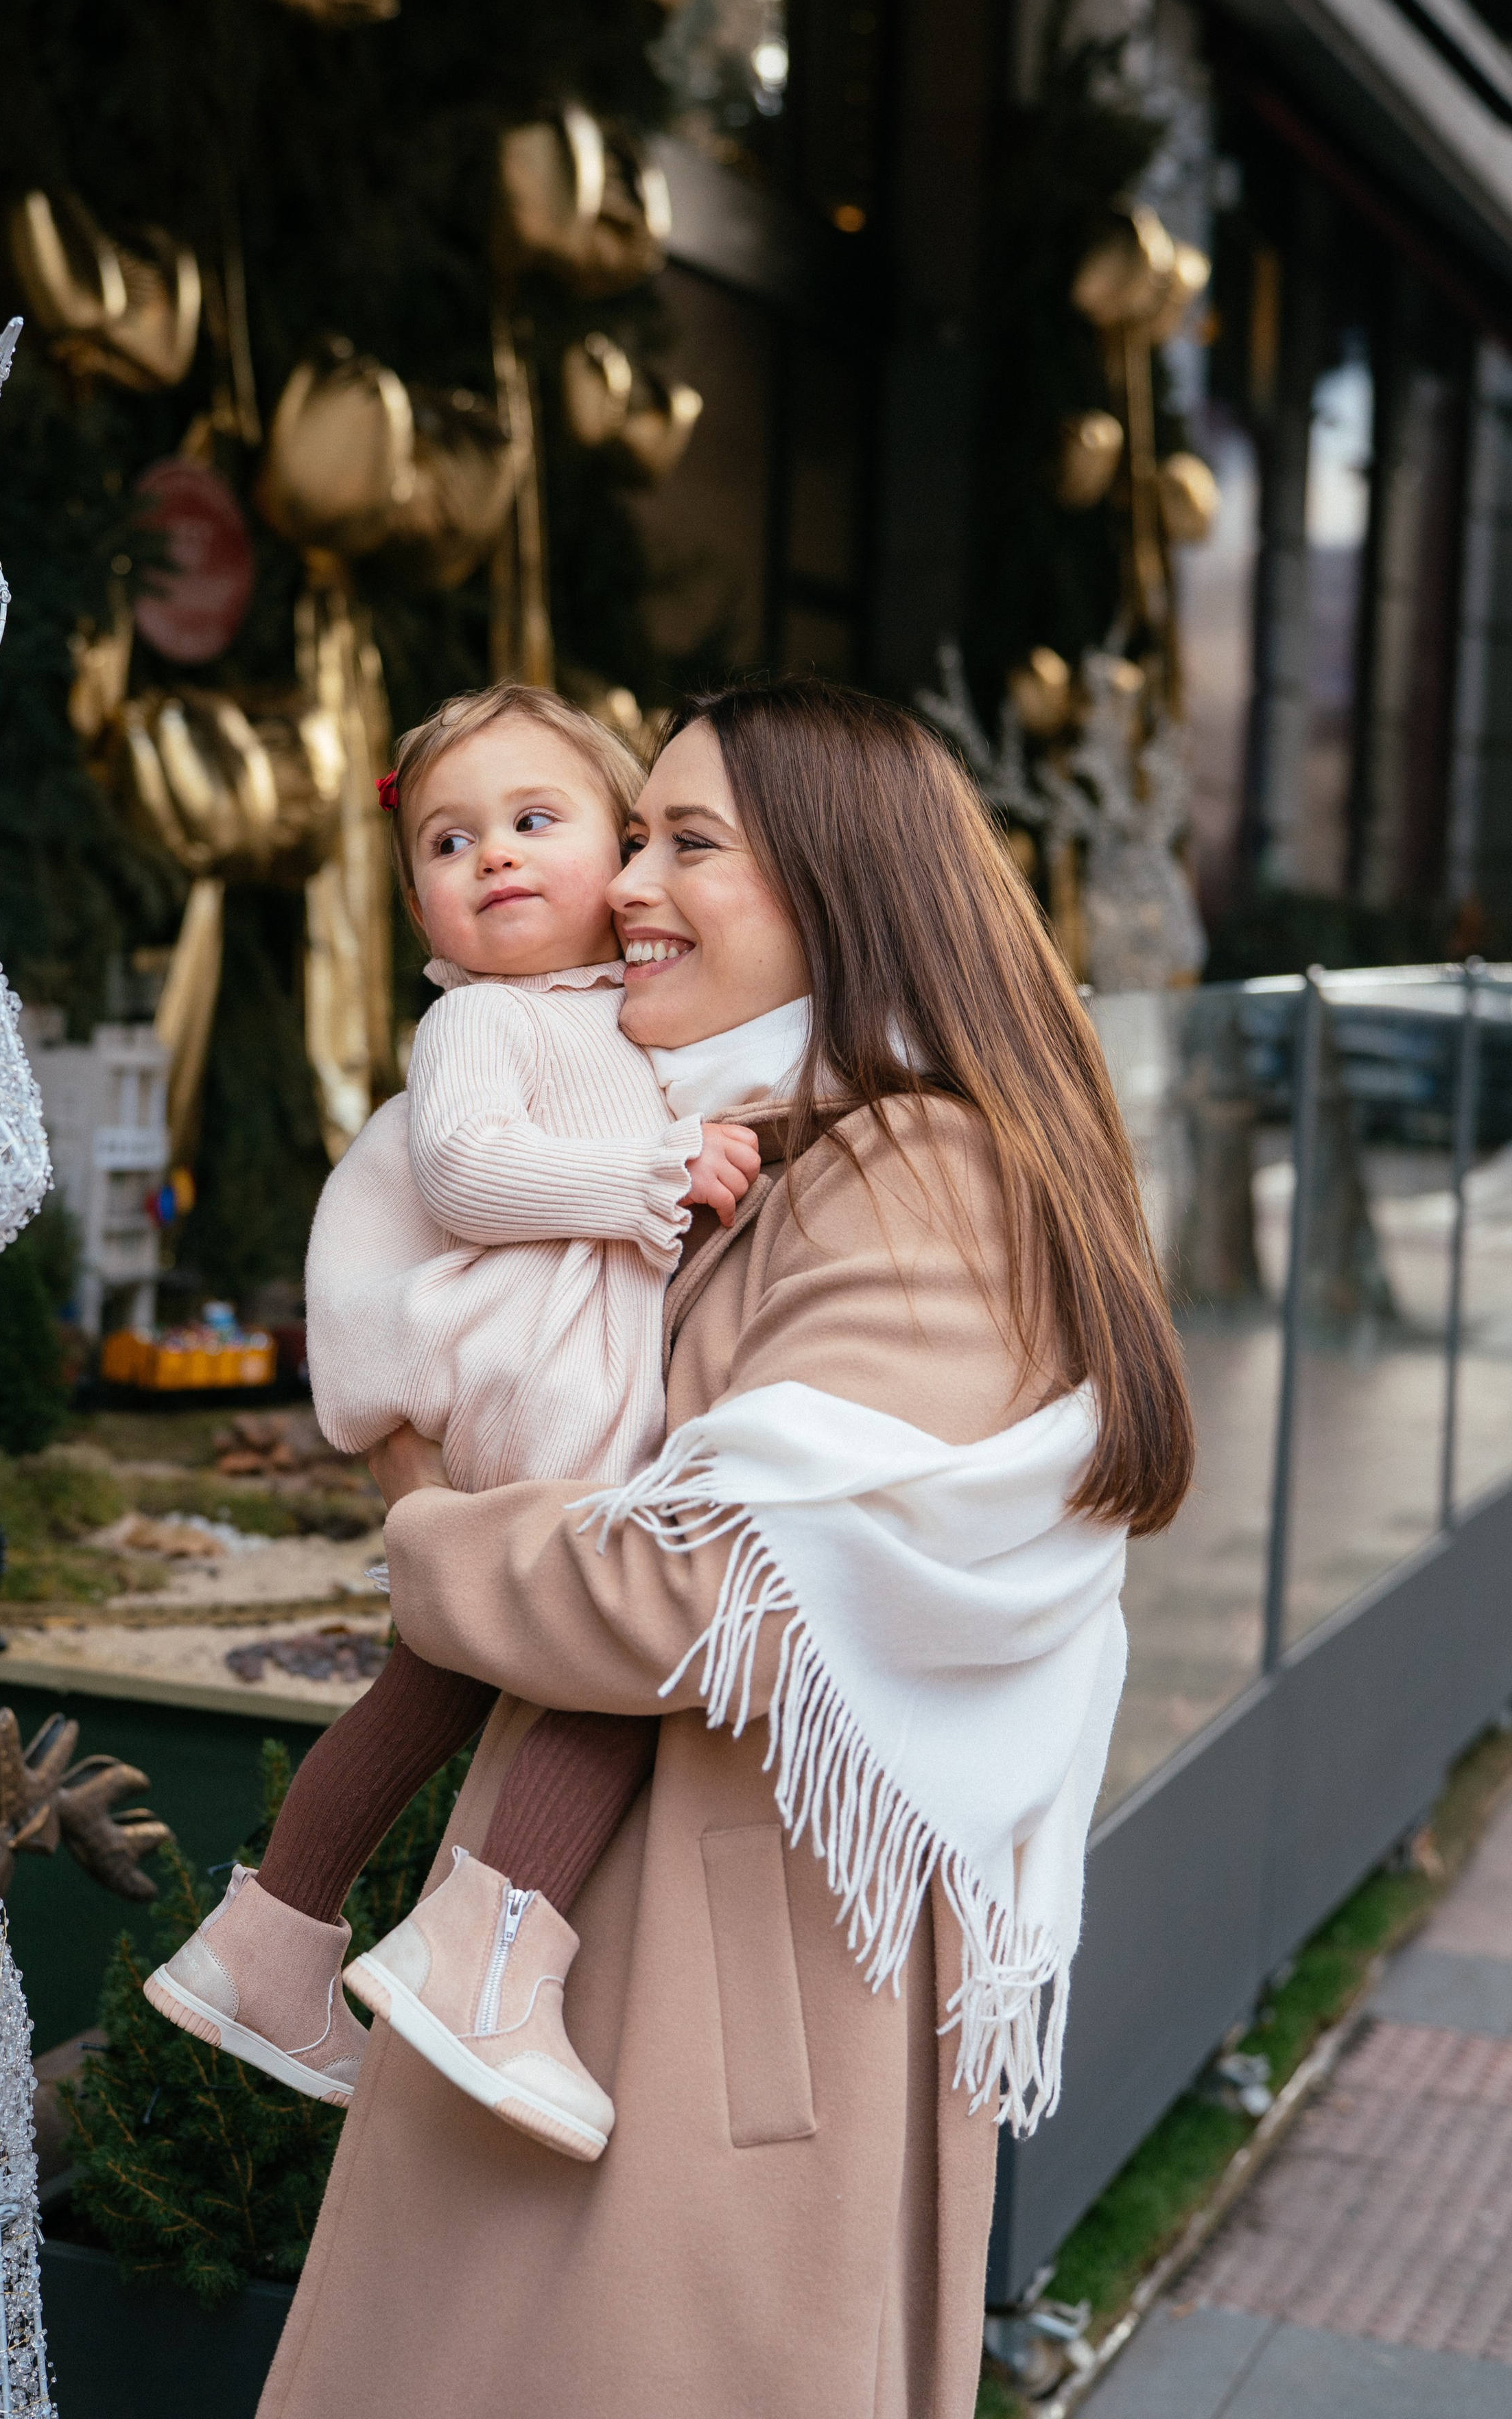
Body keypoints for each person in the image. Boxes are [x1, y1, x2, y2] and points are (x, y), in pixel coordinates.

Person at [257, 682, 1194, 2419]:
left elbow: (710, 1593)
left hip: (716, 2014)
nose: (625, 882)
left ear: (839, 888)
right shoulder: (751, 1138)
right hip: (618, 1950)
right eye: (641, 834)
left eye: (691, 844)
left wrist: (422, 1523)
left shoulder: (922, 1172)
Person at [144, 685, 761, 2160]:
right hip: (526, 1393)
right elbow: (474, 1176)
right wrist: (653, 1182)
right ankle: (483, 1963)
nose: (489, 857)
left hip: (527, 1386)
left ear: (619, 853)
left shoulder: (594, 1016)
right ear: (414, 890)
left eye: (530, 823)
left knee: (437, 1673)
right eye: (446, 839)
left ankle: (268, 1942)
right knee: (628, 1652)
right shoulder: (479, 1021)